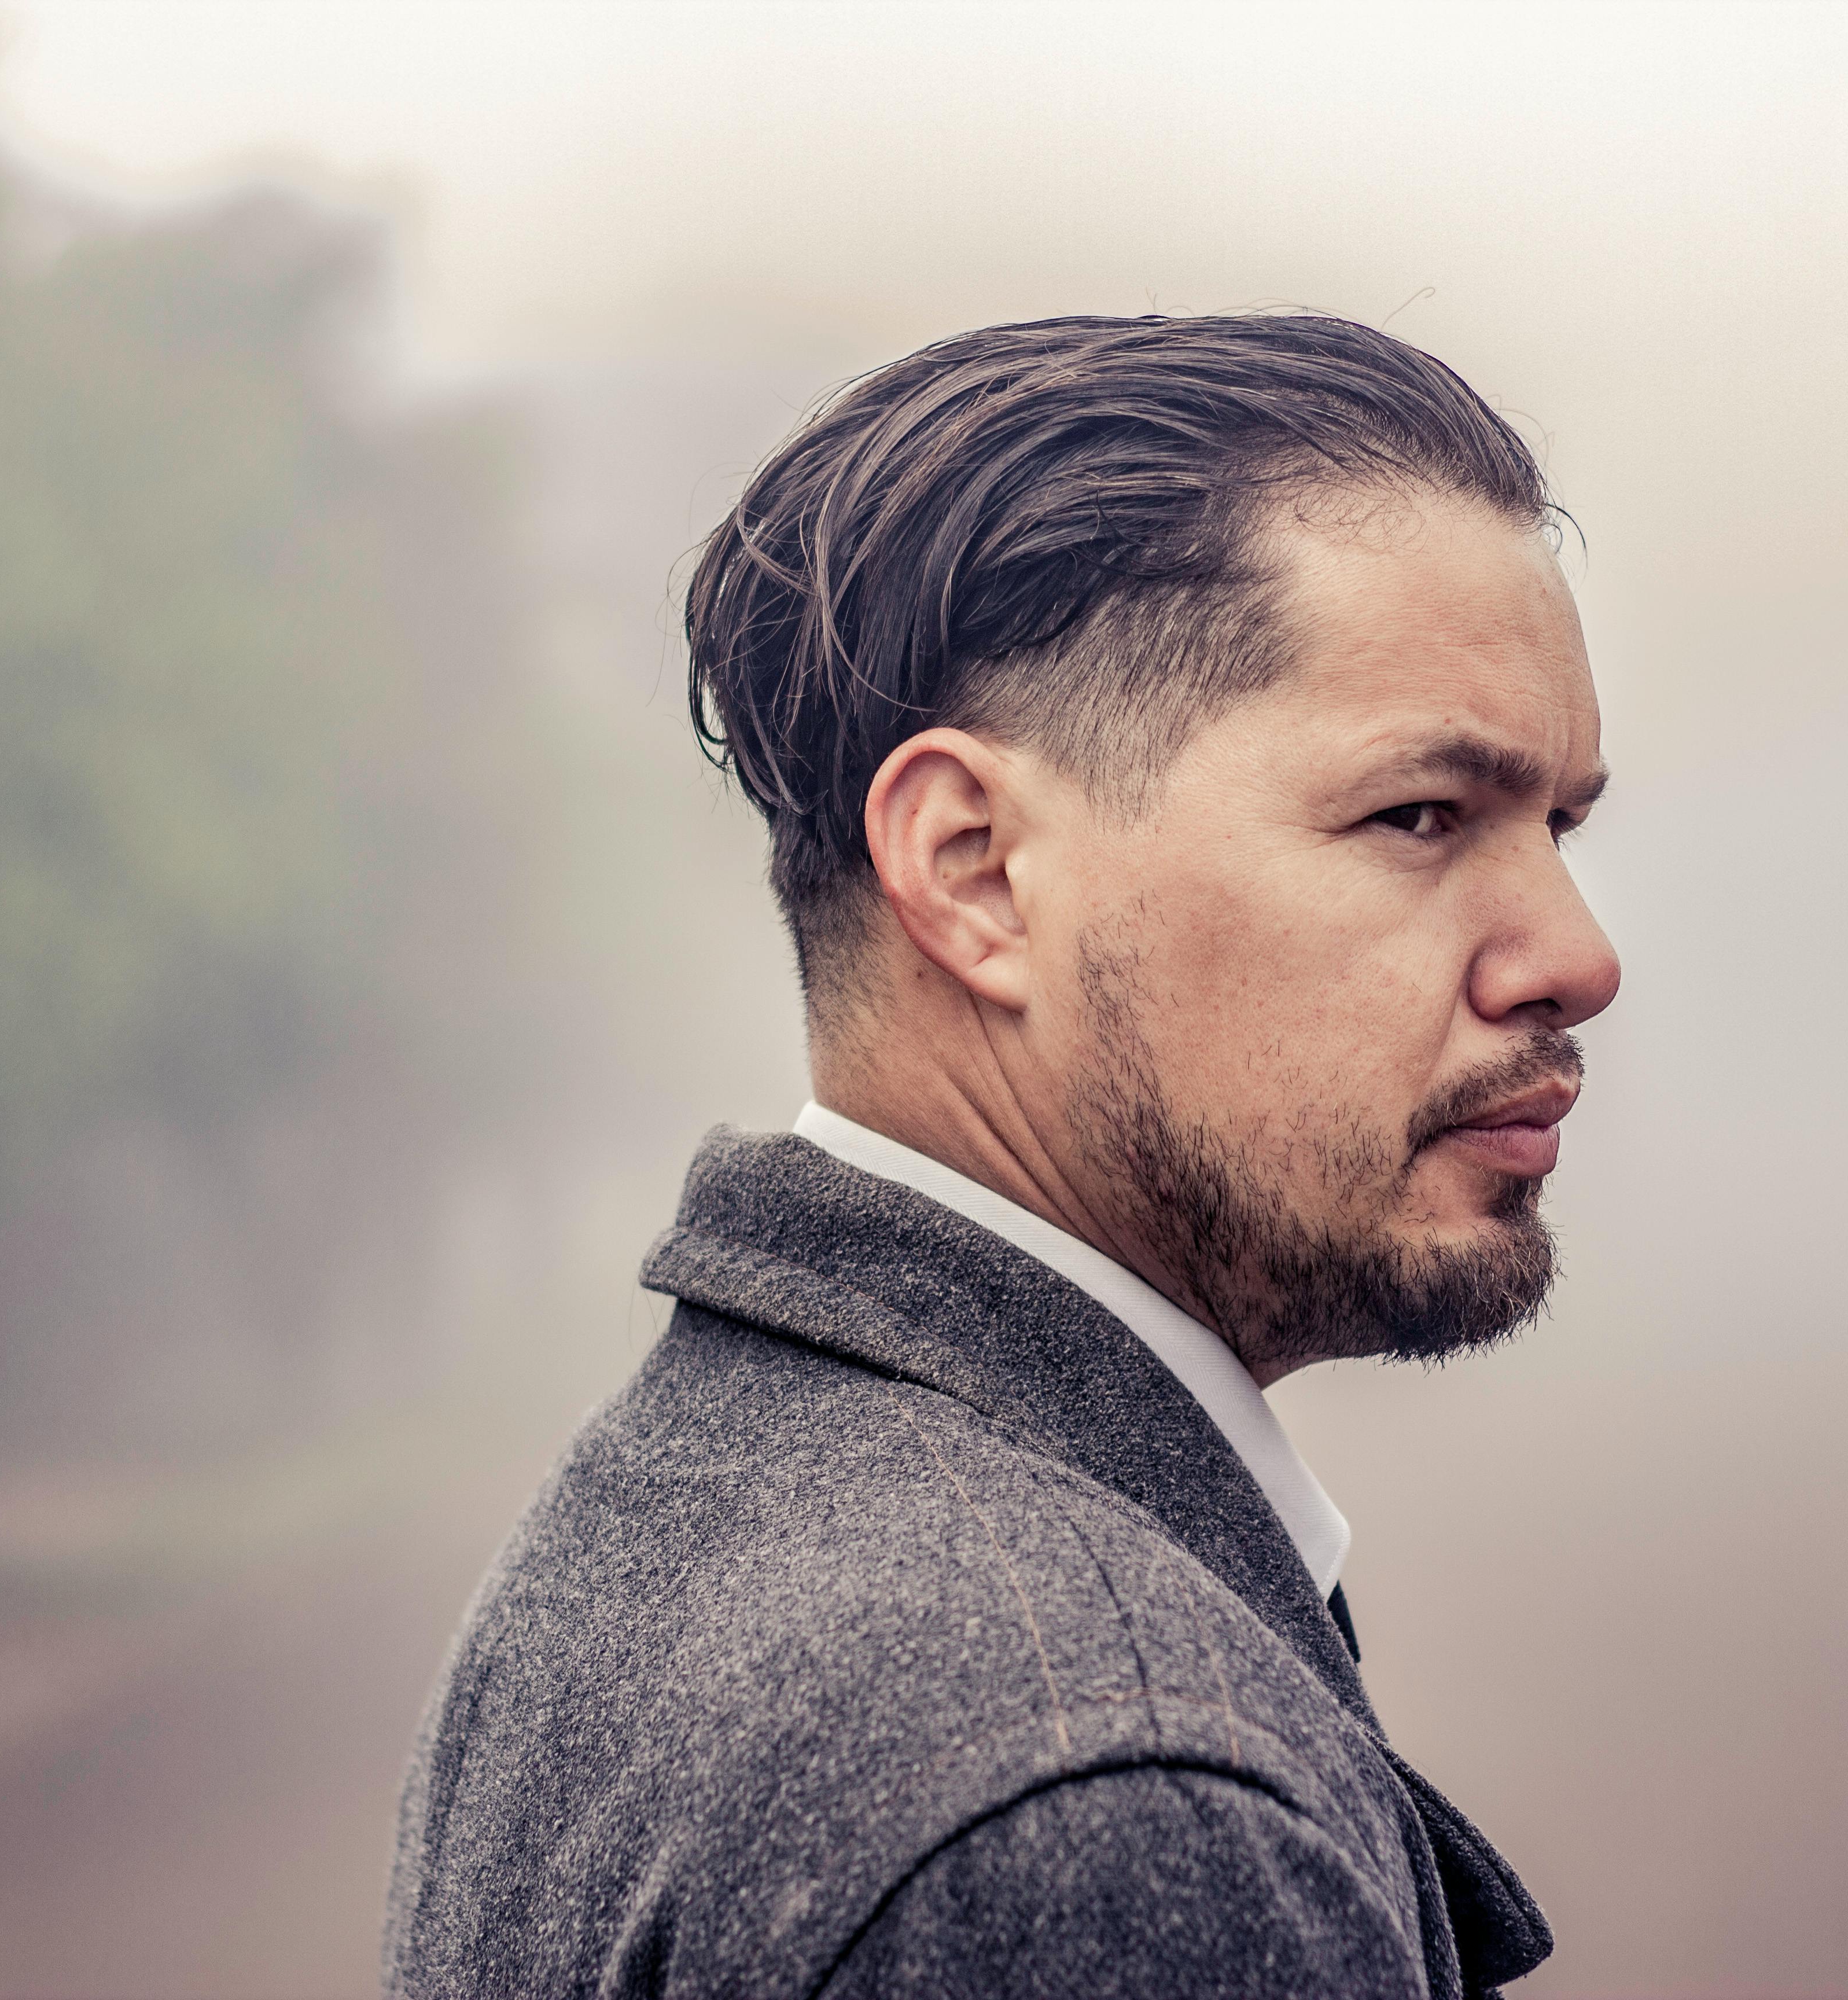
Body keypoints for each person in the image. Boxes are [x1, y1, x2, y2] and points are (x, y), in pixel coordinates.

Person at [385, 313, 1620, 1999]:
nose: (1572, 954)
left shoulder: (702, 1490)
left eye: (1562, 825)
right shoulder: (1106, 1818)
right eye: (1421, 816)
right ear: (972, 870)